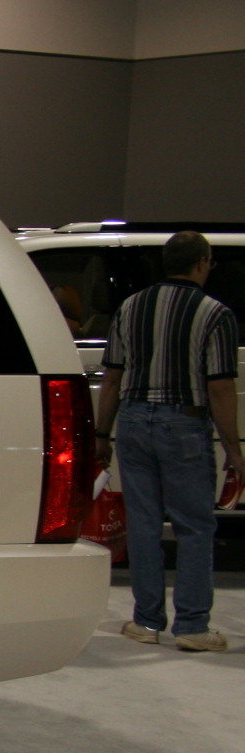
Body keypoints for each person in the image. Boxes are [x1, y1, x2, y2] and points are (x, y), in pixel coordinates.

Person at [95, 230, 242, 651]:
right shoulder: (215, 313)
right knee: (194, 526)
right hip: (185, 425)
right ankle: (193, 626)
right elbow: (219, 388)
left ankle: (146, 622)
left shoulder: (131, 307)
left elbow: (112, 377)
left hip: (135, 422)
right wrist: (234, 449)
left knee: (142, 524)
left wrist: (102, 434)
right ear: (202, 263)